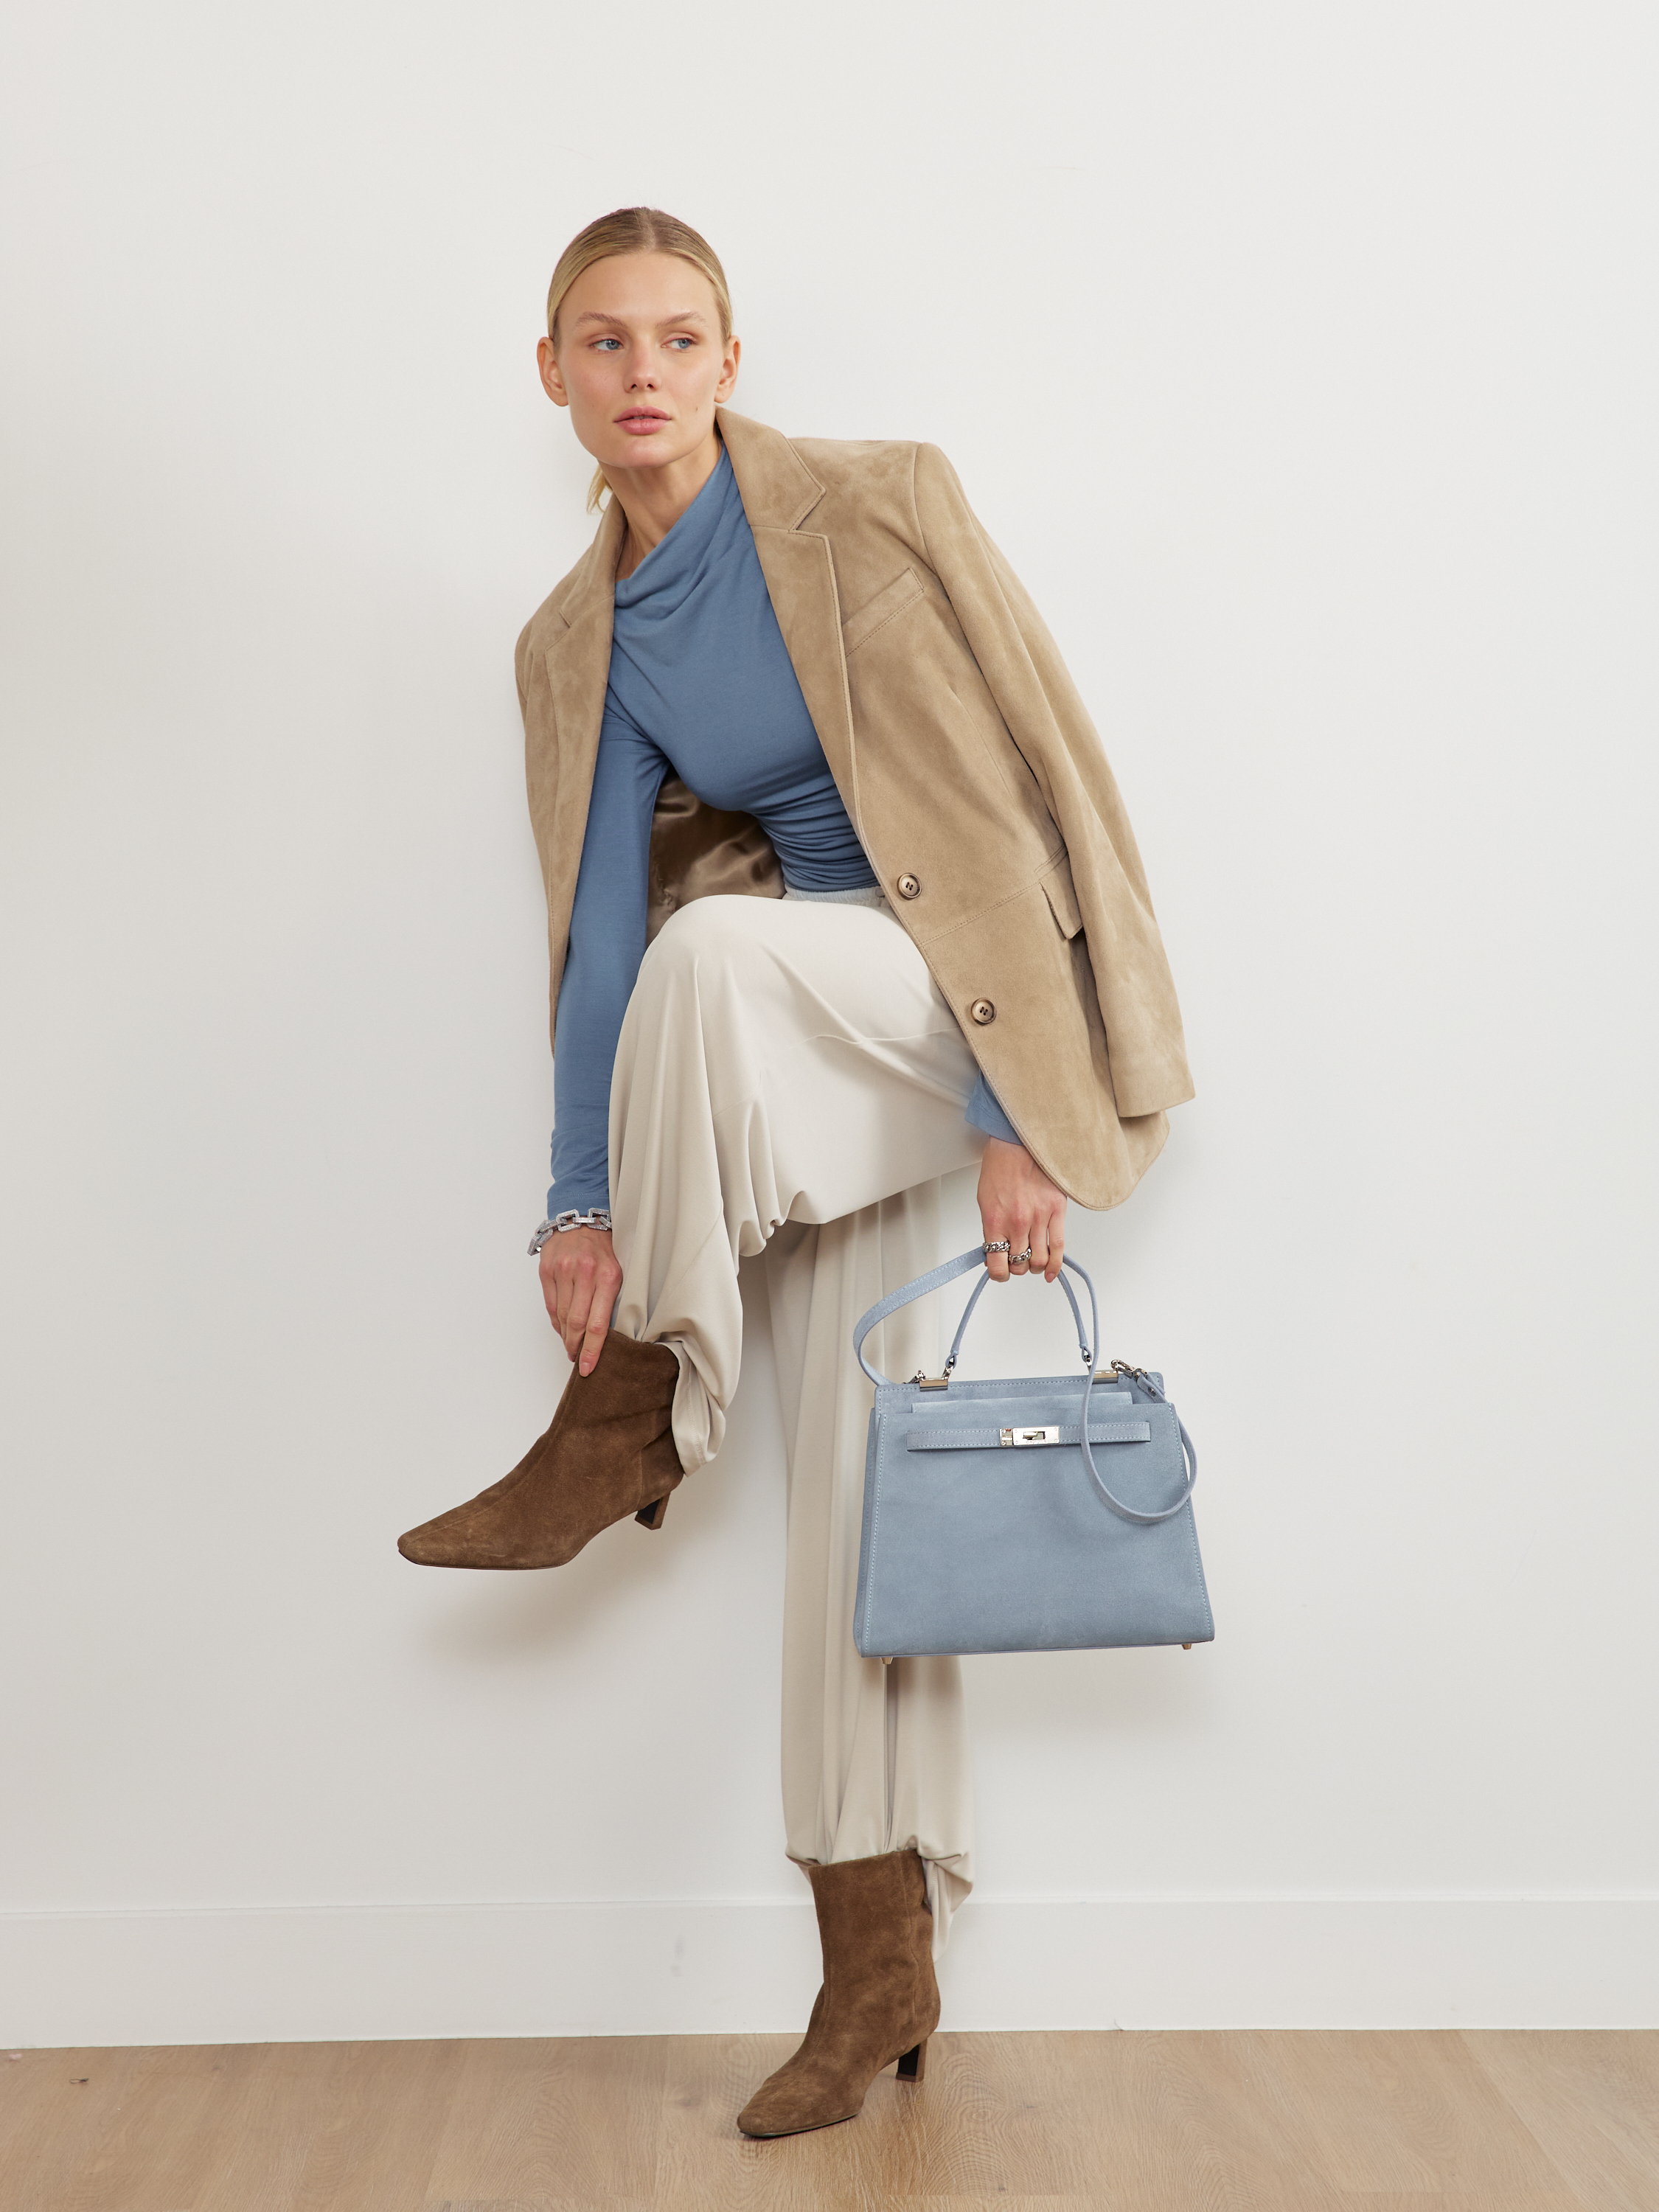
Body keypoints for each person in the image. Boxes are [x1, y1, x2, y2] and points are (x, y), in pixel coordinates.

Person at [398, 207, 1193, 2138]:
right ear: (551, 373)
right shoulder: (575, 641)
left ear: (731, 361)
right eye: (604, 341)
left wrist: (1016, 1111)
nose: (643, 372)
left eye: (679, 337)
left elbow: (1016, 790)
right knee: (857, 1511)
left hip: (958, 1009)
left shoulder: (875, 503)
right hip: (802, 1050)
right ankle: (873, 1971)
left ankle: (633, 1414)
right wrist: (578, 1206)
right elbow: (595, 942)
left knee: (718, 952)